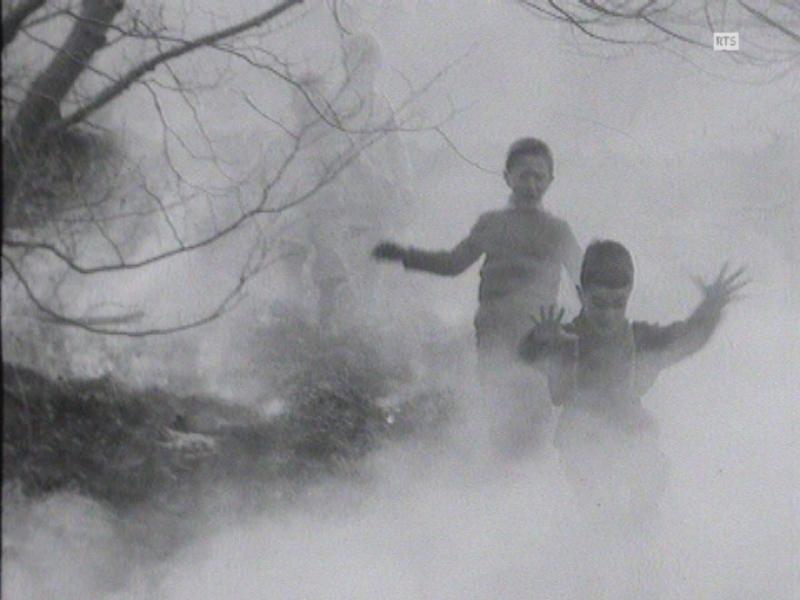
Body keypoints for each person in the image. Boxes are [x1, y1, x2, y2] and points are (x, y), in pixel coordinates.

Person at [373, 137, 582, 455]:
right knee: (498, 410)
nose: (531, 184)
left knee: (536, 413)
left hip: (540, 336)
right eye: (524, 174)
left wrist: (593, 329)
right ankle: (500, 482)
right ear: (507, 177)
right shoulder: (492, 224)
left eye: (539, 176)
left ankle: (531, 484)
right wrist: (406, 255)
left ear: (550, 181)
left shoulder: (558, 230)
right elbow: (453, 264)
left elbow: (584, 279)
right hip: (495, 332)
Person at [518, 240, 748, 519]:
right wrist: (539, 340)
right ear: (581, 295)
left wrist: (711, 307)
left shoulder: (639, 339)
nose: (609, 314)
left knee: (649, 485)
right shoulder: (566, 336)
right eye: (599, 303)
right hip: (582, 441)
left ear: (629, 296)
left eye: (618, 304)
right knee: (593, 509)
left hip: (630, 433)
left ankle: (641, 538)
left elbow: (686, 338)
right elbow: (528, 356)